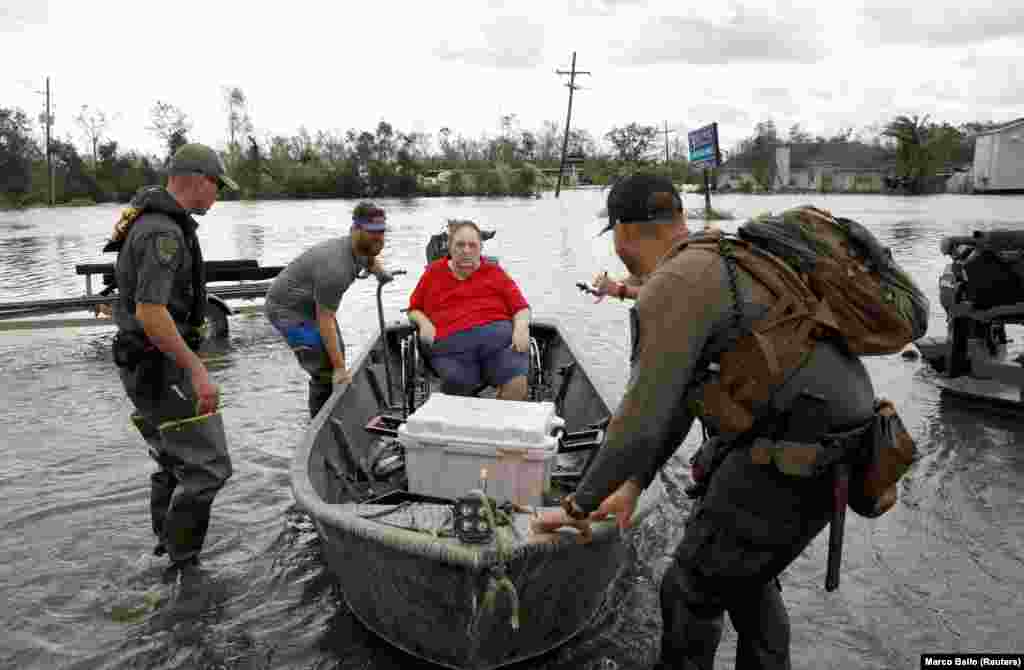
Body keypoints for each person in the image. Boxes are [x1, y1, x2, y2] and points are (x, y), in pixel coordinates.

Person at [532, 174, 878, 670]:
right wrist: (634, 482)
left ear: (624, 231)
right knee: (744, 580)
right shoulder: (718, 255)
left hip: (796, 449)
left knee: (689, 589)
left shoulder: (673, 284)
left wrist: (578, 505)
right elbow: (679, 403)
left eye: (613, 236)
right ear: (678, 219)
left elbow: (641, 419)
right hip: (828, 438)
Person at [107, 142, 238, 571]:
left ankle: (166, 553)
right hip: (161, 368)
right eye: (217, 184)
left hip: (143, 365)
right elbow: (150, 311)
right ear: (199, 180)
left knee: (174, 461)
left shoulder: (152, 222)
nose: (218, 194)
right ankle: (184, 567)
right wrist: (197, 369)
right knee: (208, 469)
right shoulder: (163, 232)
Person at [265, 201, 391, 418]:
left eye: (381, 232)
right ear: (355, 230)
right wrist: (340, 369)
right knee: (324, 370)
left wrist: (380, 273)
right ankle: (318, 423)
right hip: (288, 311)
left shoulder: (360, 246)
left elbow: (368, 257)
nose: (378, 237)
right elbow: (325, 319)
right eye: (372, 232)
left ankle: (335, 408)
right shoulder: (336, 268)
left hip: (312, 305)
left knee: (336, 354)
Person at [407, 220, 531, 400]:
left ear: (480, 248)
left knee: (517, 383)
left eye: (472, 245)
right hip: (452, 350)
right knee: (459, 385)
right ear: (450, 247)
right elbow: (413, 309)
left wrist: (521, 328)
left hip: (499, 347)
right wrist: (424, 322)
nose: (466, 250)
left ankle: (500, 424)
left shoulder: (494, 272)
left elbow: (521, 307)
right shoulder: (433, 273)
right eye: (460, 245)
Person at [425, 218, 496, 264]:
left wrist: (489, 234)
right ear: (448, 227)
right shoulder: (436, 239)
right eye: (452, 227)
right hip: (444, 264)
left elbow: (478, 234)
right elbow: (431, 256)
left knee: (494, 260)